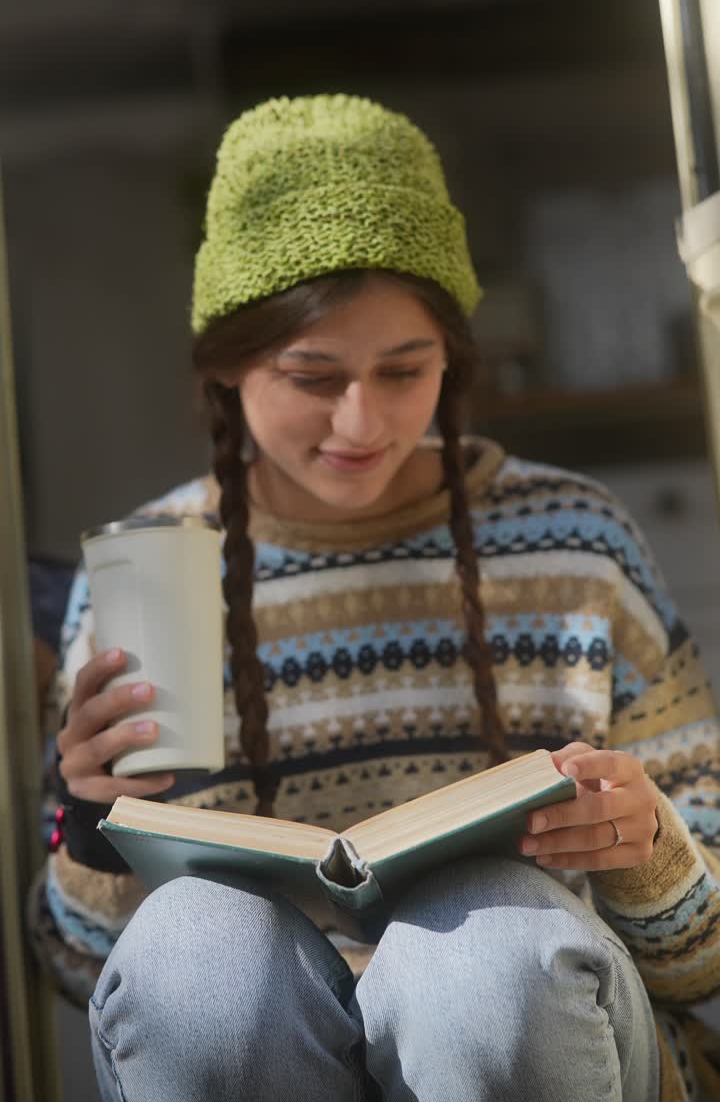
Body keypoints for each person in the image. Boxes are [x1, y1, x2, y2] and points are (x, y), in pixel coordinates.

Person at [28, 95, 720, 1101]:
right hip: (269, 1047)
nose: (361, 419)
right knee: (193, 953)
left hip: (553, 1034)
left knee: (483, 949)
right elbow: (84, 977)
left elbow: (707, 966)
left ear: (455, 357)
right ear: (225, 365)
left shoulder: (578, 542)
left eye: (405, 370)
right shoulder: (146, 575)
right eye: (313, 374)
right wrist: (87, 822)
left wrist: (648, 846)